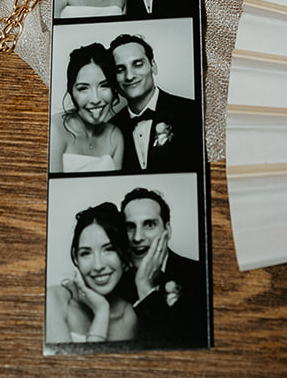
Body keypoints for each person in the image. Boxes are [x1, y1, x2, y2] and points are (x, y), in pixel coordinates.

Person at [124, 187, 210, 348]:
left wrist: (144, 286)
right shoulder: (117, 286)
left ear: (167, 230)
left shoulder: (201, 275)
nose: (137, 237)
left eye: (149, 225)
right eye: (130, 227)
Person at [44, 203, 139, 344]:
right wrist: (101, 312)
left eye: (109, 249)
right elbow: (67, 366)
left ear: (124, 254)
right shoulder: (53, 300)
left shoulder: (128, 316)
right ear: (76, 259)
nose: (98, 266)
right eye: (86, 253)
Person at [110, 33, 202, 173]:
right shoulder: (110, 129)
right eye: (120, 69)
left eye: (137, 64)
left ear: (153, 66)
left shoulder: (192, 111)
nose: (129, 76)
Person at [49, 42, 125, 173]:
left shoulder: (115, 137)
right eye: (83, 88)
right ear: (71, 91)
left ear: (114, 89)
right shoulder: (54, 130)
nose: (95, 99)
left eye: (104, 86)